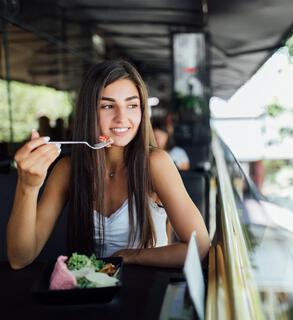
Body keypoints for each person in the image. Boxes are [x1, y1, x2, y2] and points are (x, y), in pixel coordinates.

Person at [7, 60, 210, 270]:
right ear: (89, 112)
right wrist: (27, 186)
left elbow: (200, 246)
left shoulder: (155, 164)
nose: (122, 118)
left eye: (132, 105)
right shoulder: (68, 170)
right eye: (107, 106)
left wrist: (131, 256)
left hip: (147, 290)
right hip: (92, 292)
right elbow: (20, 258)